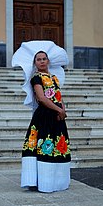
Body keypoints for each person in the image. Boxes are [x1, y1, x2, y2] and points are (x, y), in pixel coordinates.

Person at [21, 50, 71, 193]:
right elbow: (42, 98)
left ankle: (57, 181)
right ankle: (39, 181)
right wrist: (58, 109)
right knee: (43, 145)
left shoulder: (54, 78)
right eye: (38, 59)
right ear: (35, 63)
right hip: (44, 116)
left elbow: (59, 96)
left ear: (48, 61)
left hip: (57, 115)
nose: (42, 61)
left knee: (57, 146)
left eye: (44, 59)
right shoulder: (36, 78)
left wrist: (62, 109)